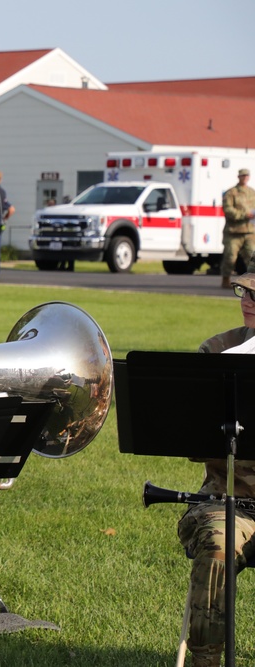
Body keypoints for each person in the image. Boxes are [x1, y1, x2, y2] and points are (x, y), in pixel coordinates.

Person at [178, 255, 255, 667]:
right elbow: (191, 443)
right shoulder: (217, 351)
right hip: (228, 500)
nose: (246, 299)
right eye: (244, 289)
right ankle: (205, 660)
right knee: (217, 540)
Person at [219, 168, 255, 289]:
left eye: (246, 175)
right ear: (238, 177)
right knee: (230, 257)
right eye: (242, 176)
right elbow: (228, 210)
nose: (245, 177)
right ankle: (226, 279)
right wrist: (244, 214)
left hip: (250, 231)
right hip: (233, 232)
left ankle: (252, 282)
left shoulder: (252, 192)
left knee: (251, 257)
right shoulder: (231, 193)